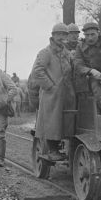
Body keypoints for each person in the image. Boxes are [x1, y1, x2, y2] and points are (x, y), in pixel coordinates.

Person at [31, 23, 76, 161]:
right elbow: (37, 72)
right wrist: (51, 86)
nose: (61, 37)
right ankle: (52, 150)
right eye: (58, 34)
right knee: (52, 121)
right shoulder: (46, 53)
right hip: (51, 94)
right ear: (53, 36)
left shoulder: (67, 53)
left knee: (66, 120)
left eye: (64, 34)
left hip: (66, 93)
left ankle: (66, 149)